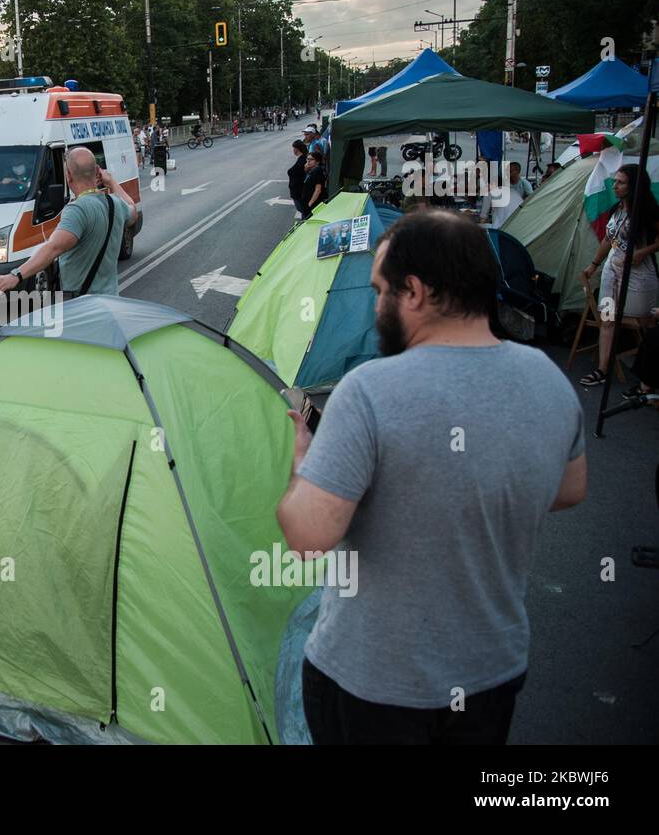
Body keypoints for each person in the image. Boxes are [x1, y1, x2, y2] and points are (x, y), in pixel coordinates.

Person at [277, 208, 586, 745]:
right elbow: (568, 490)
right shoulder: (549, 380)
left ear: (415, 291)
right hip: (490, 672)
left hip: (373, 682)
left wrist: (305, 460)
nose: (376, 308)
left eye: (380, 291)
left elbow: (307, 537)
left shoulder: (368, 391)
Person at [0, 147, 137, 300]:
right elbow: (132, 209)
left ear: (69, 175)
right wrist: (111, 181)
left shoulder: (77, 210)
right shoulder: (115, 203)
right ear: (97, 171)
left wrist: (15, 275)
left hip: (84, 307)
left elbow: (53, 248)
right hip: (112, 301)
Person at [579, 163, 659, 387]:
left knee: (643, 321)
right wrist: (594, 264)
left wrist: (643, 252)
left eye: (620, 182)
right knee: (607, 319)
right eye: (615, 181)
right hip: (611, 274)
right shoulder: (617, 210)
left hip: (639, 277)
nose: (615, 186)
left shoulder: (648, 211)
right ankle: (603, 369)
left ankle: (647, 378)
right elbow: (608, 240)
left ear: (634, 186)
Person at [479, 161, 533, 228]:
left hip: (502, 229)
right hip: (521, 226)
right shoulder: (514, 191)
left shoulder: (489, 194)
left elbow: (483, 218)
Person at [300, 148, 326, 219]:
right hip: (307, 203)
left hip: (312, 204)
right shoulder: (312, 170)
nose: (308, 161)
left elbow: (318, 190)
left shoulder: (317, 171)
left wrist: (310, 204)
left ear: (317, 162)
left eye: (311, 159)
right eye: (307, 159)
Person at [288, 139, 309, 219]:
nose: (293, 150)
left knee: (303, 210)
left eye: (293, 148)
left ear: (296, 149)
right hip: (296, 189)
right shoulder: (302, 159)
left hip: (298, 190)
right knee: (302, 209)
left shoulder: (302, 160)